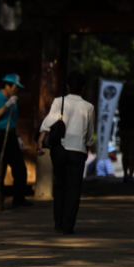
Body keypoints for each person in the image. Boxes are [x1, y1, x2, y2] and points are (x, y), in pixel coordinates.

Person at [37, 70, 95, 235]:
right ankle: (68, 225)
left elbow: (48, 122)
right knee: (74, 187)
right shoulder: (89, 107)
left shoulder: (59, 101)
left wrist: (41, 141)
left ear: (68, 86)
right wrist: (88, 147)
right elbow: (90, 134)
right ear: (83, 88)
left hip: (60, 150)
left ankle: (58, 221)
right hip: (78, 151)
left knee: (60, 184)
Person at [0, 73, 30, 207]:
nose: (16, 90)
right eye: (14, 87)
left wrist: (18, 137)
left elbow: (12, 121)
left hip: (11, 135)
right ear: (6, 85)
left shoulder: (13, 102)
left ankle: (18, 199)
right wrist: (7, 105)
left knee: (20, 169)